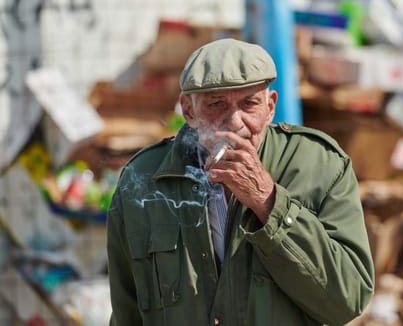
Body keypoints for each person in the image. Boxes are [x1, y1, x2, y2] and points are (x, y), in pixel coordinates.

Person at [106, 38, 374, 326]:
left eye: (250, 103)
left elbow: (349, 300)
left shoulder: (320, 165)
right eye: (216, 104)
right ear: (188, 110)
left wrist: (269, 204)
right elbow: (127, 312)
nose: (234, 121)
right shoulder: (144, 180)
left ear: (270, 107)